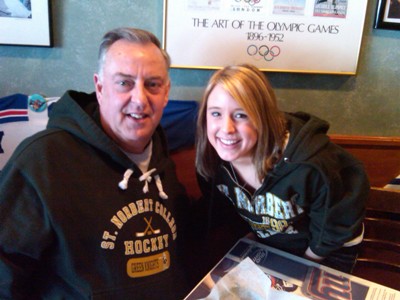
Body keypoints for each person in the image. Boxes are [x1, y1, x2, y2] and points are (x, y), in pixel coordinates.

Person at [0, 27, 190, 299]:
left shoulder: (162, 160)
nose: (139, 99)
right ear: (100, 87)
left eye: (152, 84)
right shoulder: (43, 159)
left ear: (166, 92)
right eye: (124, 83)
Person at [195, 64, 370, 273]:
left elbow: (332, 228)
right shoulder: (214, 159)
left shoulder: (310, 165)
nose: (226, 128)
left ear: (263, 118)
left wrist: (298, 268)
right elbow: (226, 211)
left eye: (241, 115)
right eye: (216, 113)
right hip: (277, 243)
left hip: (329, 248)